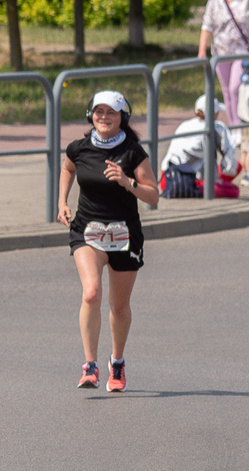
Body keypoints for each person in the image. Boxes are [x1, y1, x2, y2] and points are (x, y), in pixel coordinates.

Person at [57, 90, 160, 392]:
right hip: (87, 230)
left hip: (124, 234)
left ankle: (117, 362)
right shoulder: (78, 148)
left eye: (111, 112)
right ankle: (90, 366)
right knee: (91, 293)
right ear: (91, 114)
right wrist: (62, 201)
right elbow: (67, 168)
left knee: (118, 306)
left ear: (122, 117)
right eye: (99, 111)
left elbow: (153, 194)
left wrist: (129, 184)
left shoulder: (133, 152)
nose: (104, 117)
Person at [198, 0, 249, 127]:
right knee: (227, 91)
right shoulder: (214, 3)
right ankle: (232, 126)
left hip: (242, 53)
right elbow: (207, 26)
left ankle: (238, 125)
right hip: (220, 54)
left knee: (234, 88)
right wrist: (202, 50)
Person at [160, 94, 240, 198]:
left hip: (167, 177)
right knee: (233, 190)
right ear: (214, 113)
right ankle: (203, 188)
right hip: (186, 182)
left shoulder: (185, 124)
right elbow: (229, 164)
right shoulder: (215, 128)